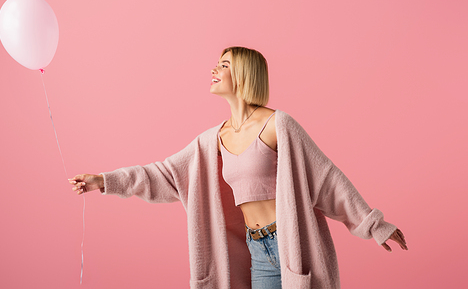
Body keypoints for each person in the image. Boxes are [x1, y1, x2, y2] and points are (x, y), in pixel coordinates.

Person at [69, 46, 408, 289]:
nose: (214, 70)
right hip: (257, 250)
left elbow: (326, 178)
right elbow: (164, 175)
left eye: (224, 65)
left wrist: (373, 224)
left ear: (245, 73)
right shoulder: (211, 141)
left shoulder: (279, 125)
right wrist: (105, 180)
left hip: (289, 247)